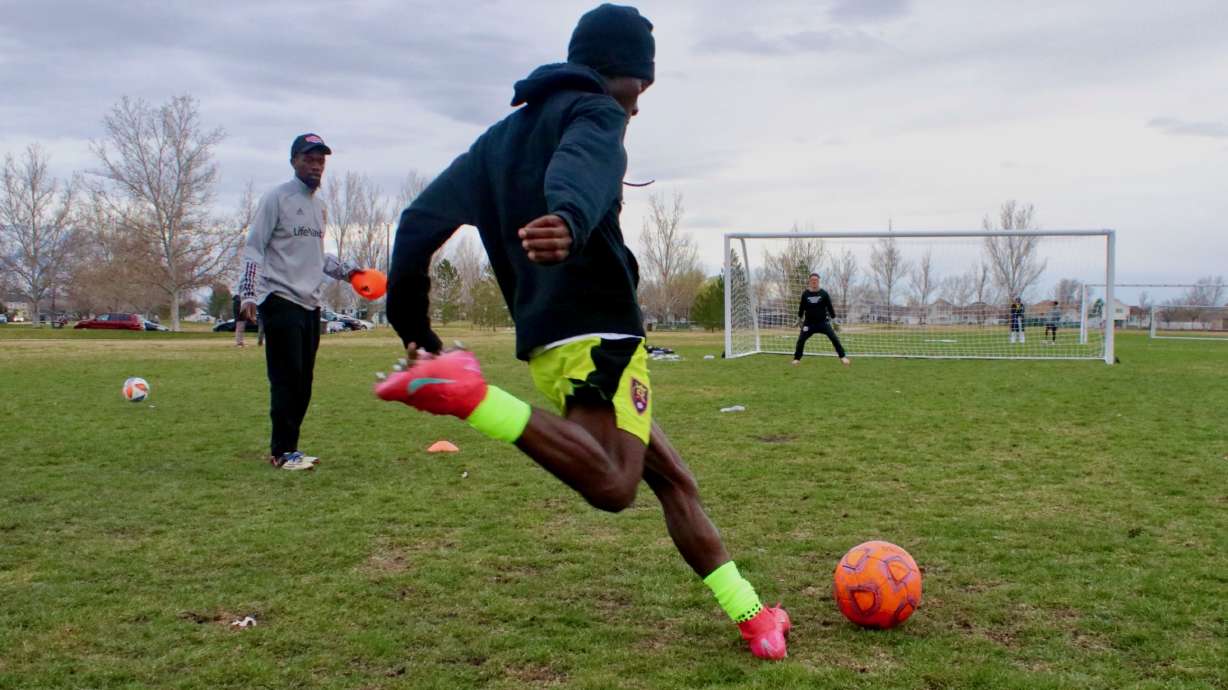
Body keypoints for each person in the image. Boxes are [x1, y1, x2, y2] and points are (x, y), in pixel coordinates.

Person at [376, 4, 790, 660]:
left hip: (553, 344)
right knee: (614, 484)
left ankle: (753, 613)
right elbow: (586, 165)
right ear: (615, 72)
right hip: (600, 334)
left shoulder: (494, 143)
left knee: (671, 479)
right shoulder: (596, 111)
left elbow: (418, 221)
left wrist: (411, 322)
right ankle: (469, 396)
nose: (637, 106)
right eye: (640, 88)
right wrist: (569, 216)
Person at [237, 133, 358, 471]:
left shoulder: (319, 208)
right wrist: (247, 292)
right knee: (286, 378)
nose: (316, 165)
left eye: (321, 159)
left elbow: (316, 257)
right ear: (294, 161)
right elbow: (254, 247)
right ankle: (281, 452)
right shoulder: (277, 199)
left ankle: (292, 448)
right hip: (279, 298)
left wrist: (350, 272)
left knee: (304, 380)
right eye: (309, 158)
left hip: (310, 303)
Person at [791, 273, 849, 366]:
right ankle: (797, 359)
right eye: (812, 280)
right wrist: (798, 320)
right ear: (809, 281)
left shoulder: (824, 293)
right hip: (809, 323)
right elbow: (801, 308)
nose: (814, 281)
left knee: (834, 338)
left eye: (816, 280)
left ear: (818, 281)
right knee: (801, 340)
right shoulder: (805, 294)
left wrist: (835, 322)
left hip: (823, 323)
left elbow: (830, 308)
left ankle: (843, 357)